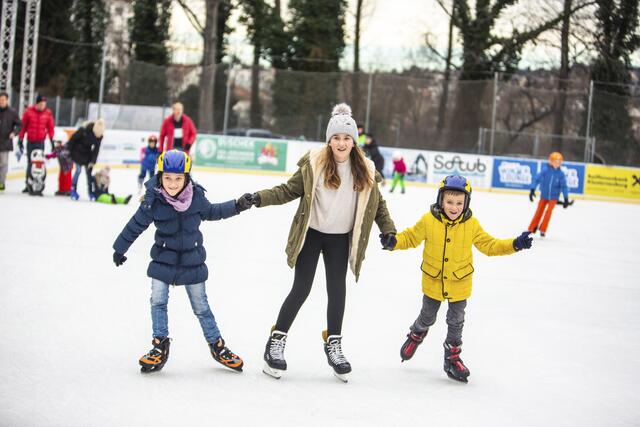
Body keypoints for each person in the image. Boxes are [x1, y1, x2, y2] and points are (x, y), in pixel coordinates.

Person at [251, 103, 396, 381]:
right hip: (312, 234)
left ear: (354, 141)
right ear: (329, 140)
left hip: (340, 239)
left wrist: (388, 230)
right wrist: (259, 197)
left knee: (337, 291)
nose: (341, 143)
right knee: (301, 288)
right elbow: (288, 191)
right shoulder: (315, 163)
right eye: (336, 137)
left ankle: (334, 344)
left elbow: (378, 205)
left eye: (347, 138)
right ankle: (276, 341)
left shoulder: (365, 168)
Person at [112, 150, 254, 374]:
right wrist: (120, 248)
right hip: (163, 259)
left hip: (192, 260)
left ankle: (217, 346)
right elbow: (135, 225)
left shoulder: (196, 197)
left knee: (202, 307)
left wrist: (237, 205)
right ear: (160, 176)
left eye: (178, 178)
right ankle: (160, 346)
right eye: (168, 178)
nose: (172, 183)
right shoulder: (153, 201)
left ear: (187, 178)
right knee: (158, 302)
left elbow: (213, 211)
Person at [381, 175, 533, 383]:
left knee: (456, 321)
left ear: (466, 203)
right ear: (441, 200)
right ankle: (416, 334)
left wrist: (515, 244)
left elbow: (490, 246)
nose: (454, 207)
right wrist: (393, 242)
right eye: (449, 202)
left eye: (459, 203)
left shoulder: (471, 225)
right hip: (433, 281)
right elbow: (410, 238)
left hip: (460, 283)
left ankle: (452, 358)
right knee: (428, 316)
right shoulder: (428, 220)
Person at [527, 152, 570, 237]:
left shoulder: (560, 174)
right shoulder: (545, 170)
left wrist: (566, 198)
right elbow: (536, 179)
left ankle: (543, 229)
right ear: (550, 161)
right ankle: (532, 227)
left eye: (559, 162)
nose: (557, 164)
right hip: (544, 196)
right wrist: (532, 190)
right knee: (539, 211)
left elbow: (564, 187)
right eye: (555, 161)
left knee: (548, 212)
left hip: (554, 197)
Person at [17, 95, 54, 193]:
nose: (43, 106)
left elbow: (50, 128)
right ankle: (28, 183)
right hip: (31, 142)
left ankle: (38, 183)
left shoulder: (47, 113)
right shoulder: (29, 112)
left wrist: (51, 140)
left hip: (41, 142)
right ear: (37, 103)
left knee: (40, 164)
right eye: (41, 104)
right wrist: (20, 139)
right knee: (30, 162)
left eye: (44, 104)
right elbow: (23, 127)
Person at [67, 119, 105, 200]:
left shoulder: (99, 136)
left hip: (87, 155)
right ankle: (73, 189)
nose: (97, 136)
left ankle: (90, 192)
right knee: (78, 171)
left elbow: (96, 150)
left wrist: (92, 161)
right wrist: (68, 152)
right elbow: (72, 140)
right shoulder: (83, 130)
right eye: (96, 134)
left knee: (89, 173)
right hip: (76, 152)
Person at [0, 92, 22, 191]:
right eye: (0, 99)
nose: (1, 101)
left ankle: (1, 182)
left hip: (5, 141)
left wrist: (14, 133)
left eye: (3, 99)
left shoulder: (12, 112)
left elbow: (19, 125)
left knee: (3, 163)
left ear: (7, 100)